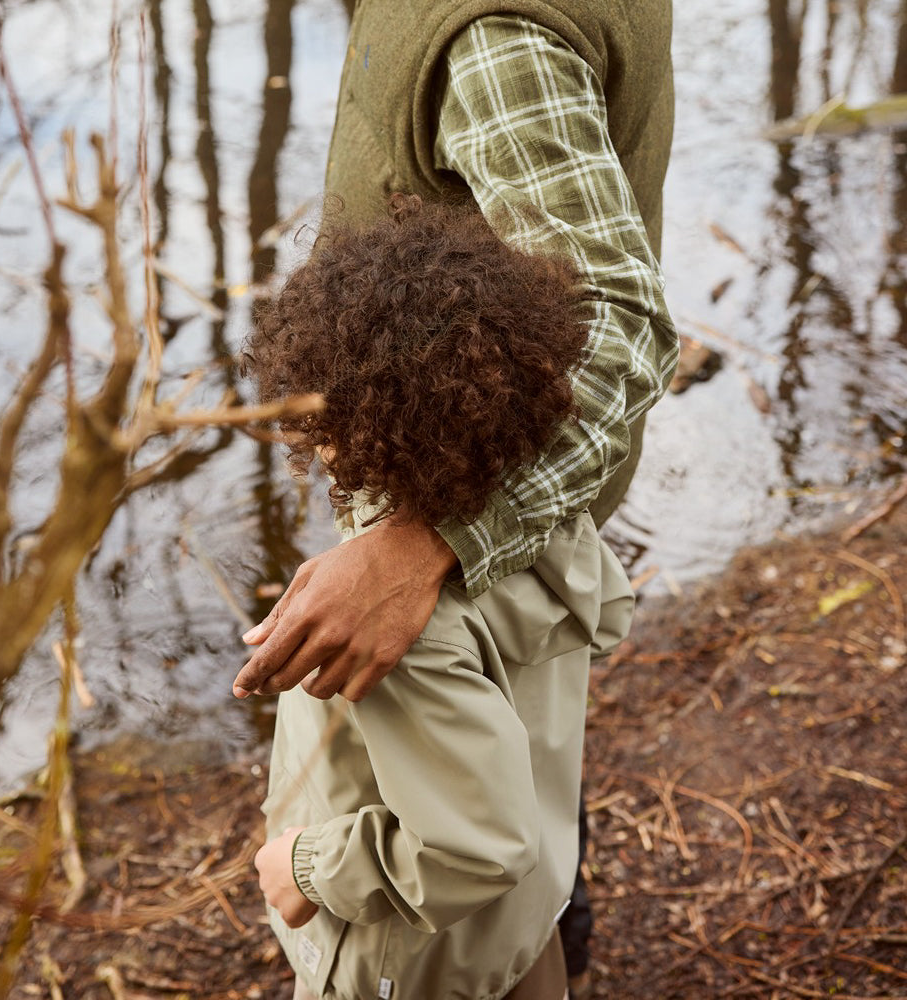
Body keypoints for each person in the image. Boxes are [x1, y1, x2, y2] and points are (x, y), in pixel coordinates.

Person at [234, 4, 678, 989]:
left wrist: (421, 543)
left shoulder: (493, 31)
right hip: (496, 512)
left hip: (405, 964)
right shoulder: (560, 564)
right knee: (529, 823)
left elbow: (620, 329)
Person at [250, 196, 635, 1000]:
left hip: (413, 964)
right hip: (522, 929)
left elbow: (477, 848)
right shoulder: (548, 530)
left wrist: (305, 866)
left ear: (358, 431)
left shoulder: (393, 628)